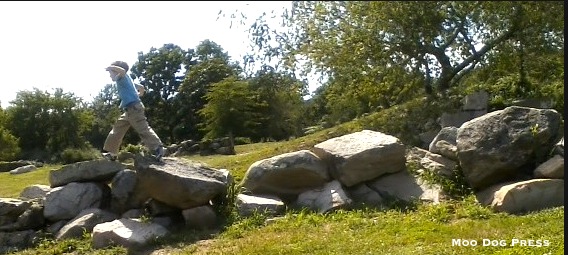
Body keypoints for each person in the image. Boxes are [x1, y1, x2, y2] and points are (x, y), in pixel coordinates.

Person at [101, 60, 165, 161]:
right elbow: (141, 87)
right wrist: (141, 93)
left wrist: (110, 67)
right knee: (117, 129)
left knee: (142, 129)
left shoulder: (121, 76)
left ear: (116, 71)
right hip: (128, 110)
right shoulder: (127, 79)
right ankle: (112, 153)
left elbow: (122, 71)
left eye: (111, 73)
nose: (110, 76)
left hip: (134, 108)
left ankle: (158, 148)